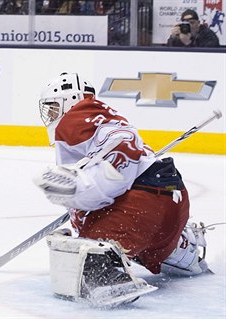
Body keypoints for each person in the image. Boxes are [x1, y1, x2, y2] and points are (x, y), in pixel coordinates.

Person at [34, 72, 211, 307]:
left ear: (71, 99)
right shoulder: (99, 118)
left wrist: (82, 186)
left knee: (90, 258)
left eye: (54, 107)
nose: (52, 115)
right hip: (169, 202)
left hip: (143, 204)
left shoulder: (78, 115)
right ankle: (182, 246)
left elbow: (122, 147)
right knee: (142, 245)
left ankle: (110, 279)